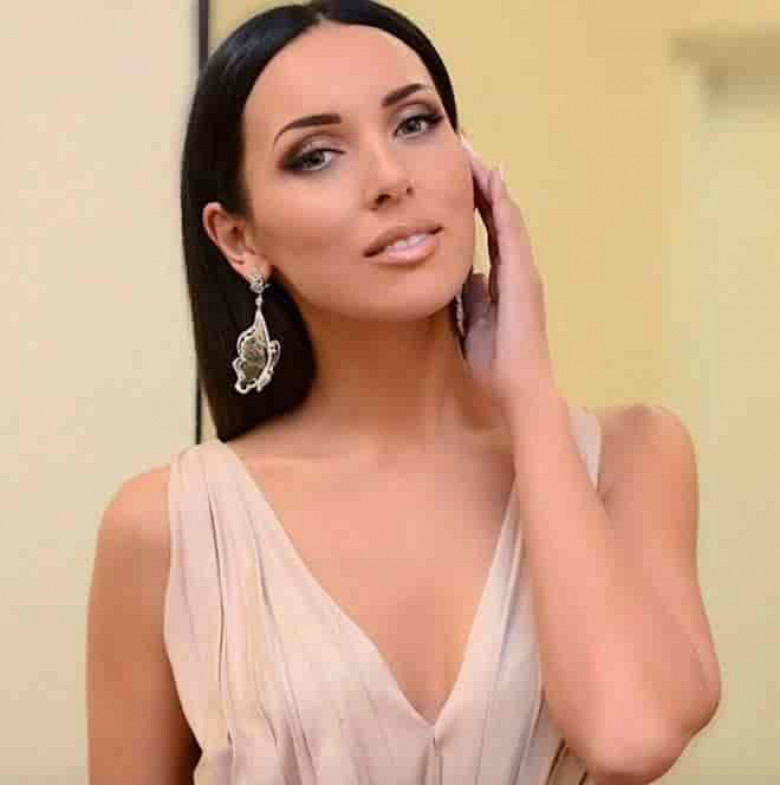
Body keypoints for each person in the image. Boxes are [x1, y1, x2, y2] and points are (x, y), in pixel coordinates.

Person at [86, 1, 722, 783]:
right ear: (239, 239)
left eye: (415, 124)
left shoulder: (634, 458)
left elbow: (629, 735)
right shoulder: (171, 527)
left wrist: (528, 392)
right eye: (316, 155)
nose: (391, 179)